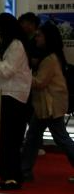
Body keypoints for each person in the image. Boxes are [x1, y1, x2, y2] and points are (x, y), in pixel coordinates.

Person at [0, 13, 32, 190]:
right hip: (11, 94)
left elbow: (7, 71)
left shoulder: (16, 45)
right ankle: (11, 176)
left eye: (0, 30)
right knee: (7, 138)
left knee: (2, 137)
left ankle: (10, 176)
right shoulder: (15, 44)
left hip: (13, 95)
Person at [21, 22, 74, 183]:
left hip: (49, 106)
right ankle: (25, 170)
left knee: (59, 138)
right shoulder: (52, 56)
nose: (36, 38)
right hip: (47, 105)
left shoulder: (49, 59)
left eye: (39, 35)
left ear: (47, 38)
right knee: (34, 136)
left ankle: (24, 170)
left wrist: (22, 75)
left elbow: (40, 82)